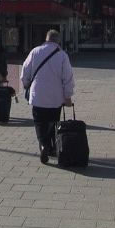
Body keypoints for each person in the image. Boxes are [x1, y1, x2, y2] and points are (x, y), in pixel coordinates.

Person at [21, 29, 75, 164]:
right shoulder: (62, 55)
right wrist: (68, 96)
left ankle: (44, 145)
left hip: (38, 95)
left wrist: (26, 85)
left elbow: (25, 72)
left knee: (39, 122)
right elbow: (67, 78)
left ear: (46, 39)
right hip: (56, 97)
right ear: (59, 41)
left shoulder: (35, 52)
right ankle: (51, 147)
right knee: (53, 122)